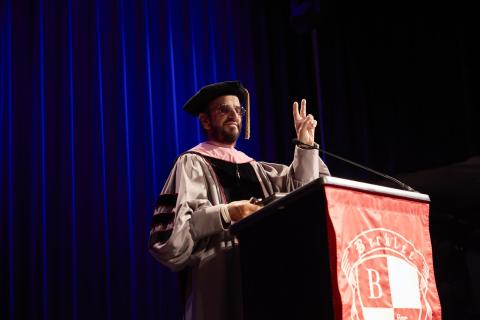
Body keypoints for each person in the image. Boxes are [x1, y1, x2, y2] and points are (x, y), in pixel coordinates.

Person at [149, 80, 330, 320]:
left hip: (268, 276)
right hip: (218, 280)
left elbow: (304, 197)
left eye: (238, 109)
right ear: (205, 120)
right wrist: (226, 213)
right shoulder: (191, 163)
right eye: (224, 109)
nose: (234, 114)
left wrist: (306, 145)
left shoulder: (256, 169)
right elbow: (172, 237)